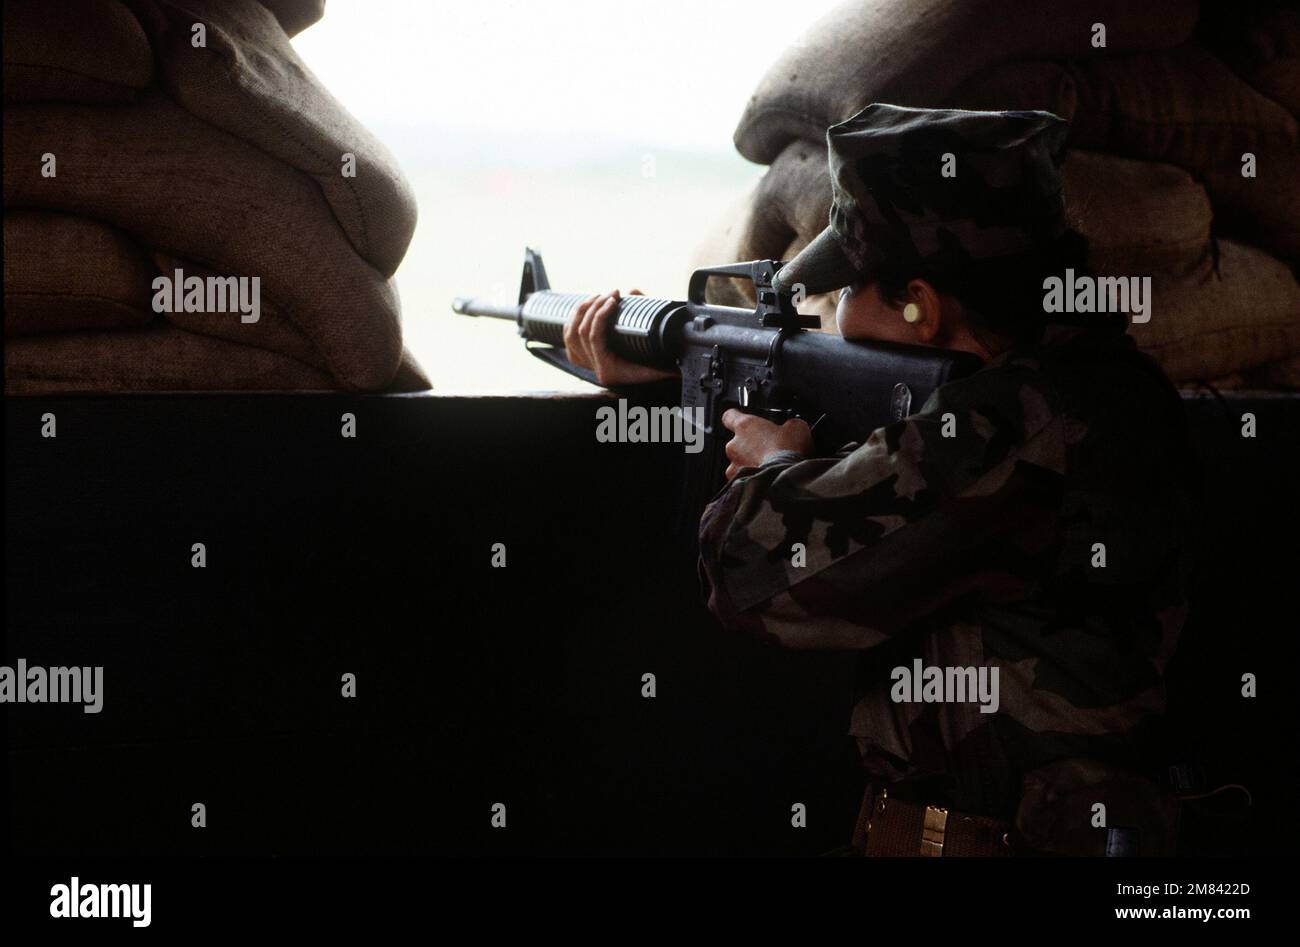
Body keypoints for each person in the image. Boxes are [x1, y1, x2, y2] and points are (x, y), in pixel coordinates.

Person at [564, 103, 1197, 856]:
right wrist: (676, 379)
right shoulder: (1097, 388)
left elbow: (750, 566)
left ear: (919, 307)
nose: (830, 315)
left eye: (845, 291)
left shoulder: (1002, 427)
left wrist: (775, 465)